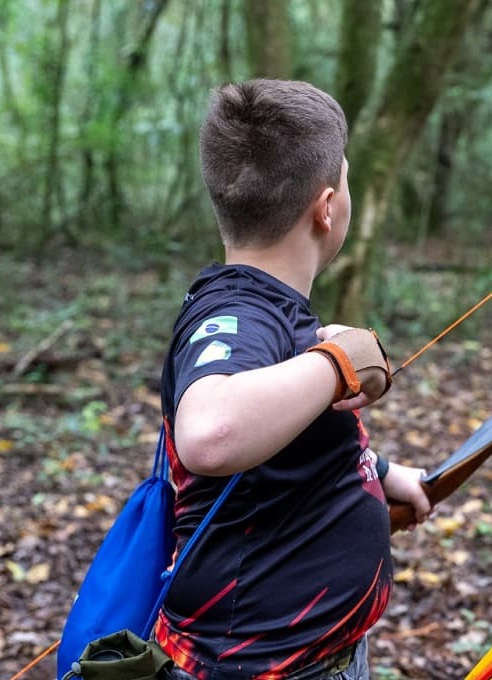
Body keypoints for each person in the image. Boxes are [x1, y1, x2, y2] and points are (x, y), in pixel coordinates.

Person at [152, 79, 433, 680]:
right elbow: (209, 433)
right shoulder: (236, 314)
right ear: (327, 206)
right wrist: (336, 364)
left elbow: (283, 447)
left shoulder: (271, 313)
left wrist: (383, 475)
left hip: (316, 657)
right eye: (350, 180)